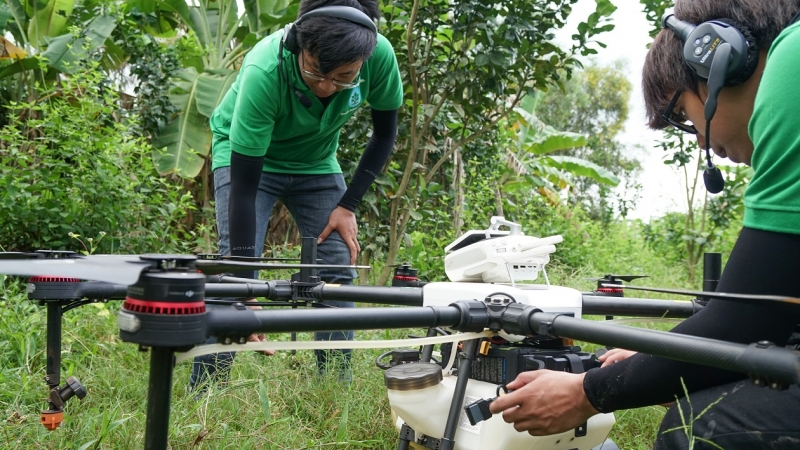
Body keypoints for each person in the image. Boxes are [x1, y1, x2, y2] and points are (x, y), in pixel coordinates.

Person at [489, 1, 800, 448]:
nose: (698, 140)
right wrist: (655, 360)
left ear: (717, 58)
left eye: (681, 116)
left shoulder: (791, 64)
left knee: (698, 426)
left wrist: (588, 393)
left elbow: (747, 322)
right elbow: (779, 314)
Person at [189, 0, 403, 391]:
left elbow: (385, 134)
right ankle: (205, 392)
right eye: (315, 71)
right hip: (249, 160)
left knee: (337, 267)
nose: (325, 87)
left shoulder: (379, 56)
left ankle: (334, 389)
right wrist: (244, 286)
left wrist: (347, 206)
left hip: (316, 162)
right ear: (296, 46)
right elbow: (244, 186)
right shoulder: (264, 69)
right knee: (233, 277)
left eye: (343, 77)